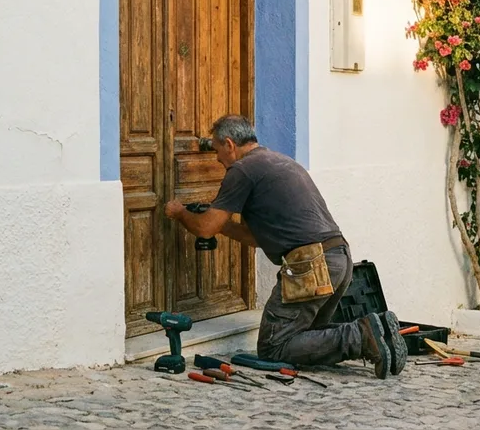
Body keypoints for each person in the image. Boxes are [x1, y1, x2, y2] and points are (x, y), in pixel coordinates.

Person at [165, 114, 408, 378]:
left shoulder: (242, 170)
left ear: (229, 144)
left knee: (273, 346)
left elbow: (204, 228)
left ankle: (362, 336)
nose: (216, 159)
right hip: (339, 259)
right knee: (304, 337)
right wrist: (222, 223)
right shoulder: (280, 161)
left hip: (310, 265)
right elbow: (255, 237)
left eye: (216, 150)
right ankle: (377, 332)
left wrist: (179, 213)